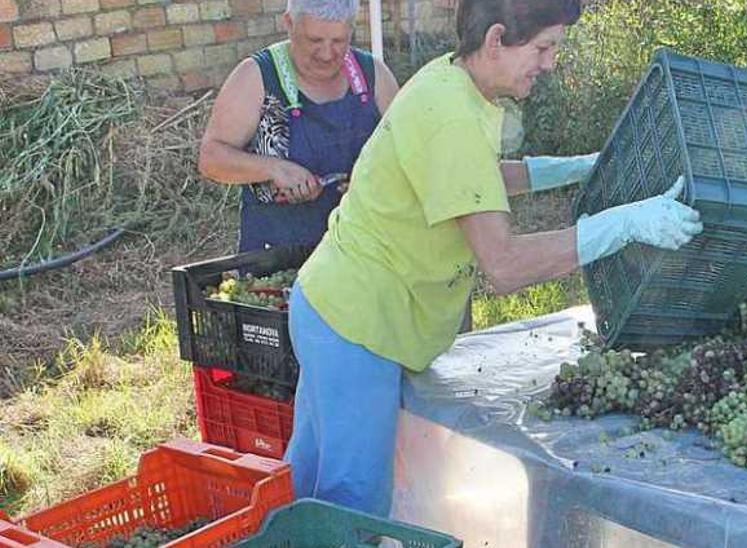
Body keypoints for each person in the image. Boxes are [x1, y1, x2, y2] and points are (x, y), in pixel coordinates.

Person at [284, 0, 703, 516]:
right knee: (350, 505)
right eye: (543, 47)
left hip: (337, 307)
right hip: (357, 325)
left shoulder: (454, 82)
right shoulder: (451, 116)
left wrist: (578, 169)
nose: (549, 64)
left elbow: (474, 177)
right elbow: (503, 264)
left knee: (304, 489)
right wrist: (621, 226)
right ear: (496, 39)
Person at [197, 0, 399, 252]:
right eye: (314, 40)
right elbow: (211, 158)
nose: (327, 54)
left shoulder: (374, 76)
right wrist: (272, 169)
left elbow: (407, 155)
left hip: (362, 249)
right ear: (289, 24)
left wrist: (374, 181)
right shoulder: (256, 77)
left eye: (338, 42)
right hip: (277, 256)